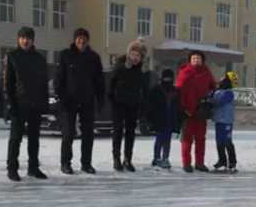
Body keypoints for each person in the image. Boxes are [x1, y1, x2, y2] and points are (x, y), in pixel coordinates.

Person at [55, 28, 105, 174]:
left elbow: (99, 81)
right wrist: (61, 97)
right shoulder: (66, 55)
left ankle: (86, 163)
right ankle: (65, 163)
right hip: (68, 101)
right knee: (68, 133)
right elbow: (59, 78)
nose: (81, 41)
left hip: (87, 101)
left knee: (88, 133)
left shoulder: (94, 57)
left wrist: (100, 100)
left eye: (84, 38)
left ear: (87, 40)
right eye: (79, 38)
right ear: (74, 39)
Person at [3, 26, 49, 182]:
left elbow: (43, 83)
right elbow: (7, 83)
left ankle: (33, 168)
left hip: (35, 105)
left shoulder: (39, 58)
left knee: (34, 139)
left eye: (28, 38)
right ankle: (12, 168)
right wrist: (10, 104)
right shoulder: (12, 56)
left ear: (32, 40)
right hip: (18, 104)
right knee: (16, 138)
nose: (25, 40)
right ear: (18, 39)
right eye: (22, 37)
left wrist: (44, 103)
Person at [108, 38, 147, 172]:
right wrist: (112, 99)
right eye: (133, 54)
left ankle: (127, 159)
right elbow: (111, 84)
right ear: (128, 54)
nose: (135, 58)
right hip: (119, 104)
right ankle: (116, 159)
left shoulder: (140, 71)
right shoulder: (120, 66)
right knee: (118, 131)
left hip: (133, 104)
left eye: (138, 56)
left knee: (130, 133)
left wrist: (140, 103)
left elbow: (142, 89)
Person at [175, 50, 216, 173]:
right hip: (187, 111)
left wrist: (208, 101)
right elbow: (178, 91)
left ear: (202, 60)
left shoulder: (206, 73)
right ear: (190, 60)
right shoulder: (184, 73)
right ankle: (186, 163)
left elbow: (213, 87)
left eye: (198, 58)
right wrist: (182, 109)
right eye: (194, 58)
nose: (196, 60)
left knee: (200, 139)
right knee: (187, 139)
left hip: (201, 111)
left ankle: (200, 163)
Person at [148, 69, 182, 169]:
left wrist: (178, 121)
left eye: (170, 78)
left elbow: (178, 106)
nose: (167, 79)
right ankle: (157, 158)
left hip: (171, 118)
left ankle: (165, 158)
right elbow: (150, 105)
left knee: (167, 140)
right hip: (159, 118)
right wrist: (150, 118)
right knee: (159, 139)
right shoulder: (156, 89)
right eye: (166, 77)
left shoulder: (175, 90)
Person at [212, 71, 239, 173]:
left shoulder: (229, 93)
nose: (221, 79)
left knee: (227, 141)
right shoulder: (218, 91)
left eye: (223, 78)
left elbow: (219, 102)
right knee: (219, 141)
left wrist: (210, 100)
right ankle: (222, 160)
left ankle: (232, 162)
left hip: (226, 121)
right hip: (219, 120)